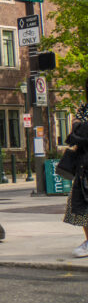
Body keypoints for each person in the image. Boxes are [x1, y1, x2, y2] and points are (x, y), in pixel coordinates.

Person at [63, 84, 88, 258]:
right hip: (84, 166)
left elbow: (78, 131)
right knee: (81, 205)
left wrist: (79, 127)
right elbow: (74, 135)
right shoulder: (84, 108)